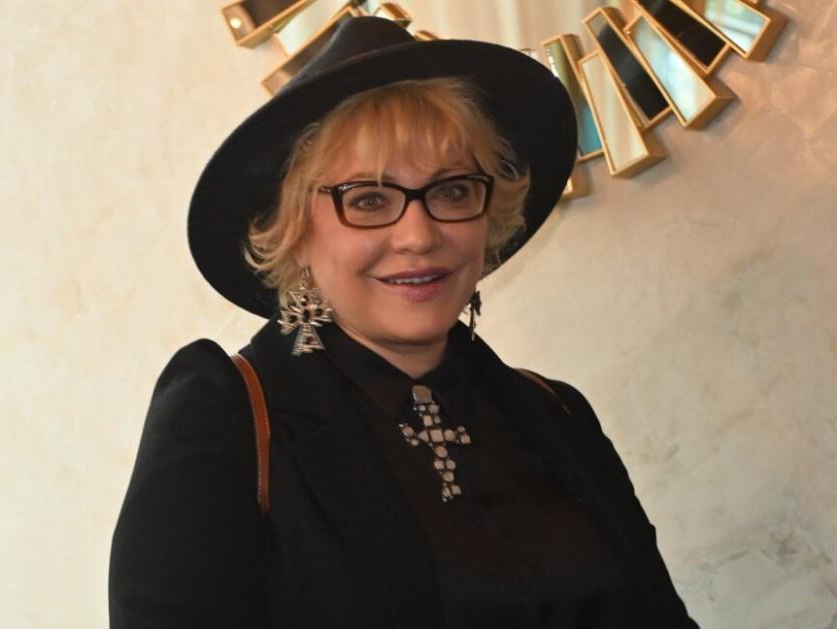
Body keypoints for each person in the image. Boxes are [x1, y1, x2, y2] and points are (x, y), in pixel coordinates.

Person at [109, 16, 698, 629]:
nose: (419, 235)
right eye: (368, 200)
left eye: (452, 192)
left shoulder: (558, 414)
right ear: (295, 231)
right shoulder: (223, 415)